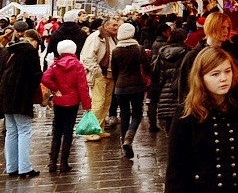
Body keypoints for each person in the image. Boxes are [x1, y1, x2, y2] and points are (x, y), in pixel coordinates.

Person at [165, 47, 238, 192]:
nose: (223, 78)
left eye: (227, 71)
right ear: (201, 77)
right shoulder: (186, 114)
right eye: (215, 74)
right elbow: (176, 170)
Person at [0, 29, 43, 179]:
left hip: (5, 95)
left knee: (11, 131)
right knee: (24, 130)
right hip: (21, 95)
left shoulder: (10, 50)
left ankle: (11, 167)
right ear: (34, 41)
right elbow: (37, 74)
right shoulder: (29, 51)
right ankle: (24, 167)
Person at [41, 40, 92, 173]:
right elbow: (82, 87)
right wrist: (87, 104)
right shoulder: (78, 65)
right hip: (73, 101)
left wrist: (55, 89)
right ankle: (64, 163)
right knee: (68, 131)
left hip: (59, 101)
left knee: (57, 130)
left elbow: (45, 78)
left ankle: (52, 163)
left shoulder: (55, 65)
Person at [178, 12, 238, 103]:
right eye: (222, 27)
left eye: (227, 28)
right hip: (202, 106)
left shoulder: (233, 51)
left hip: (231, 104)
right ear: (211, 27)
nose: (226, 31)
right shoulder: (193, 56)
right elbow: (184, 87)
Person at [110, 22, 150, 158]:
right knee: (137, 115)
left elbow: (115, 71)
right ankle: (129, 138)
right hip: (137, 86)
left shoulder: (115, 51)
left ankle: (124, 144)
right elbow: (146, 66)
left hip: (120, 87)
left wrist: (117, 85)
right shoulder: (139, 49)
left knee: (124, 115)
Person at [80, 15, 119, 141]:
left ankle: (100, 128)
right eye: (114, 25)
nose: (116, 27)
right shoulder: (96, 37)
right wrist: (97, 72)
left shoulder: (112, 38)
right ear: (105, 25)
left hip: (110, 75)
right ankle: (91, 131)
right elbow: (87, 57)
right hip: (100, 75)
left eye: (117, 25)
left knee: (106, 103)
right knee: (98, 103)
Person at [153, 27, 189, 133]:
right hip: (182, 89)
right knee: (182, 121)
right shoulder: (188, 52)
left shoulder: (162, 52)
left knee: (169, 123)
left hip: (165, 89)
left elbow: (157, 73)